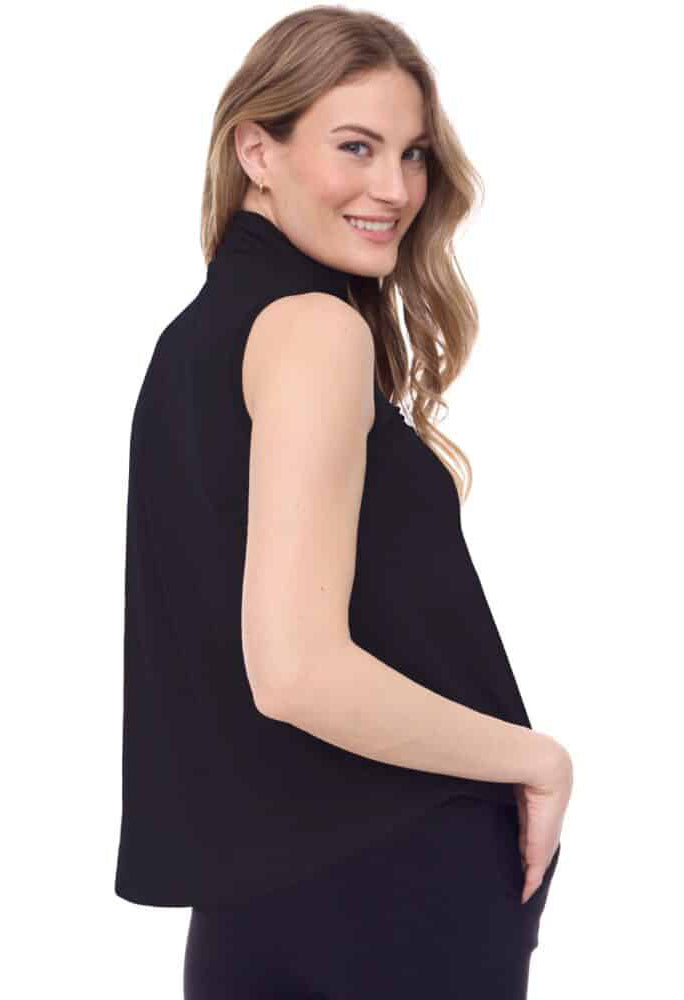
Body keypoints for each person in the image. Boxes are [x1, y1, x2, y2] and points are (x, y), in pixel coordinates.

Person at [114, 7, 573, 998]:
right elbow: (295, 673)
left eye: (413, 154)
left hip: (255, 907)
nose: (395, 189)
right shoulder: (316, 329)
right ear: (258, 151)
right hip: (396, 887)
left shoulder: (193, 342)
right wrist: (538, 760)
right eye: (356, 147)